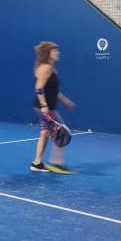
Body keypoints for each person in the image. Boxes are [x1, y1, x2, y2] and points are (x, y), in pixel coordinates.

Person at [30, 41, 76, 175]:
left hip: (43, 107)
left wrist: (65, 101)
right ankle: (56, 163)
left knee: (45, 134)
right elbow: (38, 88)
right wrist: (44, 105)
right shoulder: (46, 68)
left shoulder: (49, 67)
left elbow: (54, 90)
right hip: (46, 108)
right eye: (55, 51)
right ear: (48, 53)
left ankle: (37, 163)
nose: (58, 53)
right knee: (61, 133)